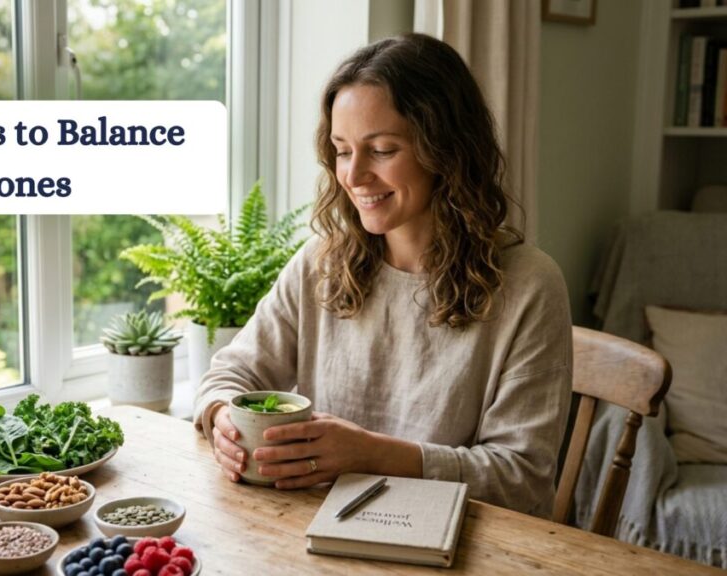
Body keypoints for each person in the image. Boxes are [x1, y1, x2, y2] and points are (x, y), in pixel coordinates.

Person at [192, 33, 572, 518]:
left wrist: (372, 455)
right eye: (342, 150)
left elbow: (521, 479)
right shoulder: (321, 263)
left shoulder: (529, 285)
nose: (353, 176)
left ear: (447, 152)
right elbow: (228, 373)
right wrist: (222, 417)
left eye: (383, 150)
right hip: (318, 535)